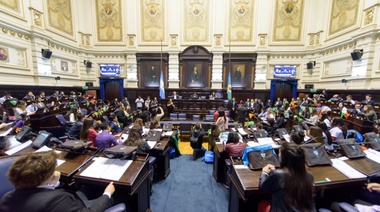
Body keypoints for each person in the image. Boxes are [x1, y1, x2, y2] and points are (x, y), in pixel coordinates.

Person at [0, 151, 115, 212]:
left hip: (71, 202)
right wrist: (107, 194)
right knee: (117, 194)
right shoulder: (57, 200)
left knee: (87, 188)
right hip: (82, 208)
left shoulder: (6, 198)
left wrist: (53, 183)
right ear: (44, 176)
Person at [259, 143, 316, 211]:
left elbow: (263, 187)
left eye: (279, 154)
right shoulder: (309, 176)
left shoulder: (278, 175)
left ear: (285, 158)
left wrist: (264, 172)